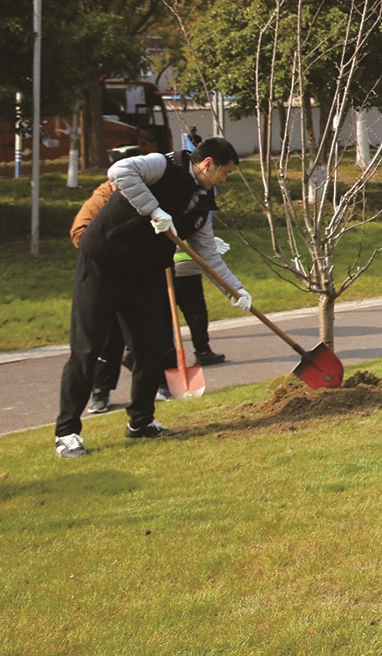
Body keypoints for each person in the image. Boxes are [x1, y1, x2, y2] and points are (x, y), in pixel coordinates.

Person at [54, 139, 249, 458]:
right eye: (224, 173)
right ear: (207, 163)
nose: (224, 181)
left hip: (144, 272)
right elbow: (119, 170)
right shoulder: (163, 165)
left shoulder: (202, 200)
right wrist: (154, 209)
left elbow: (208, 254)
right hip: (103, 261)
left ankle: (141, 422)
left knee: (151, 348)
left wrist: (236, 290)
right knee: (88, 349)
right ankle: (67, 433)